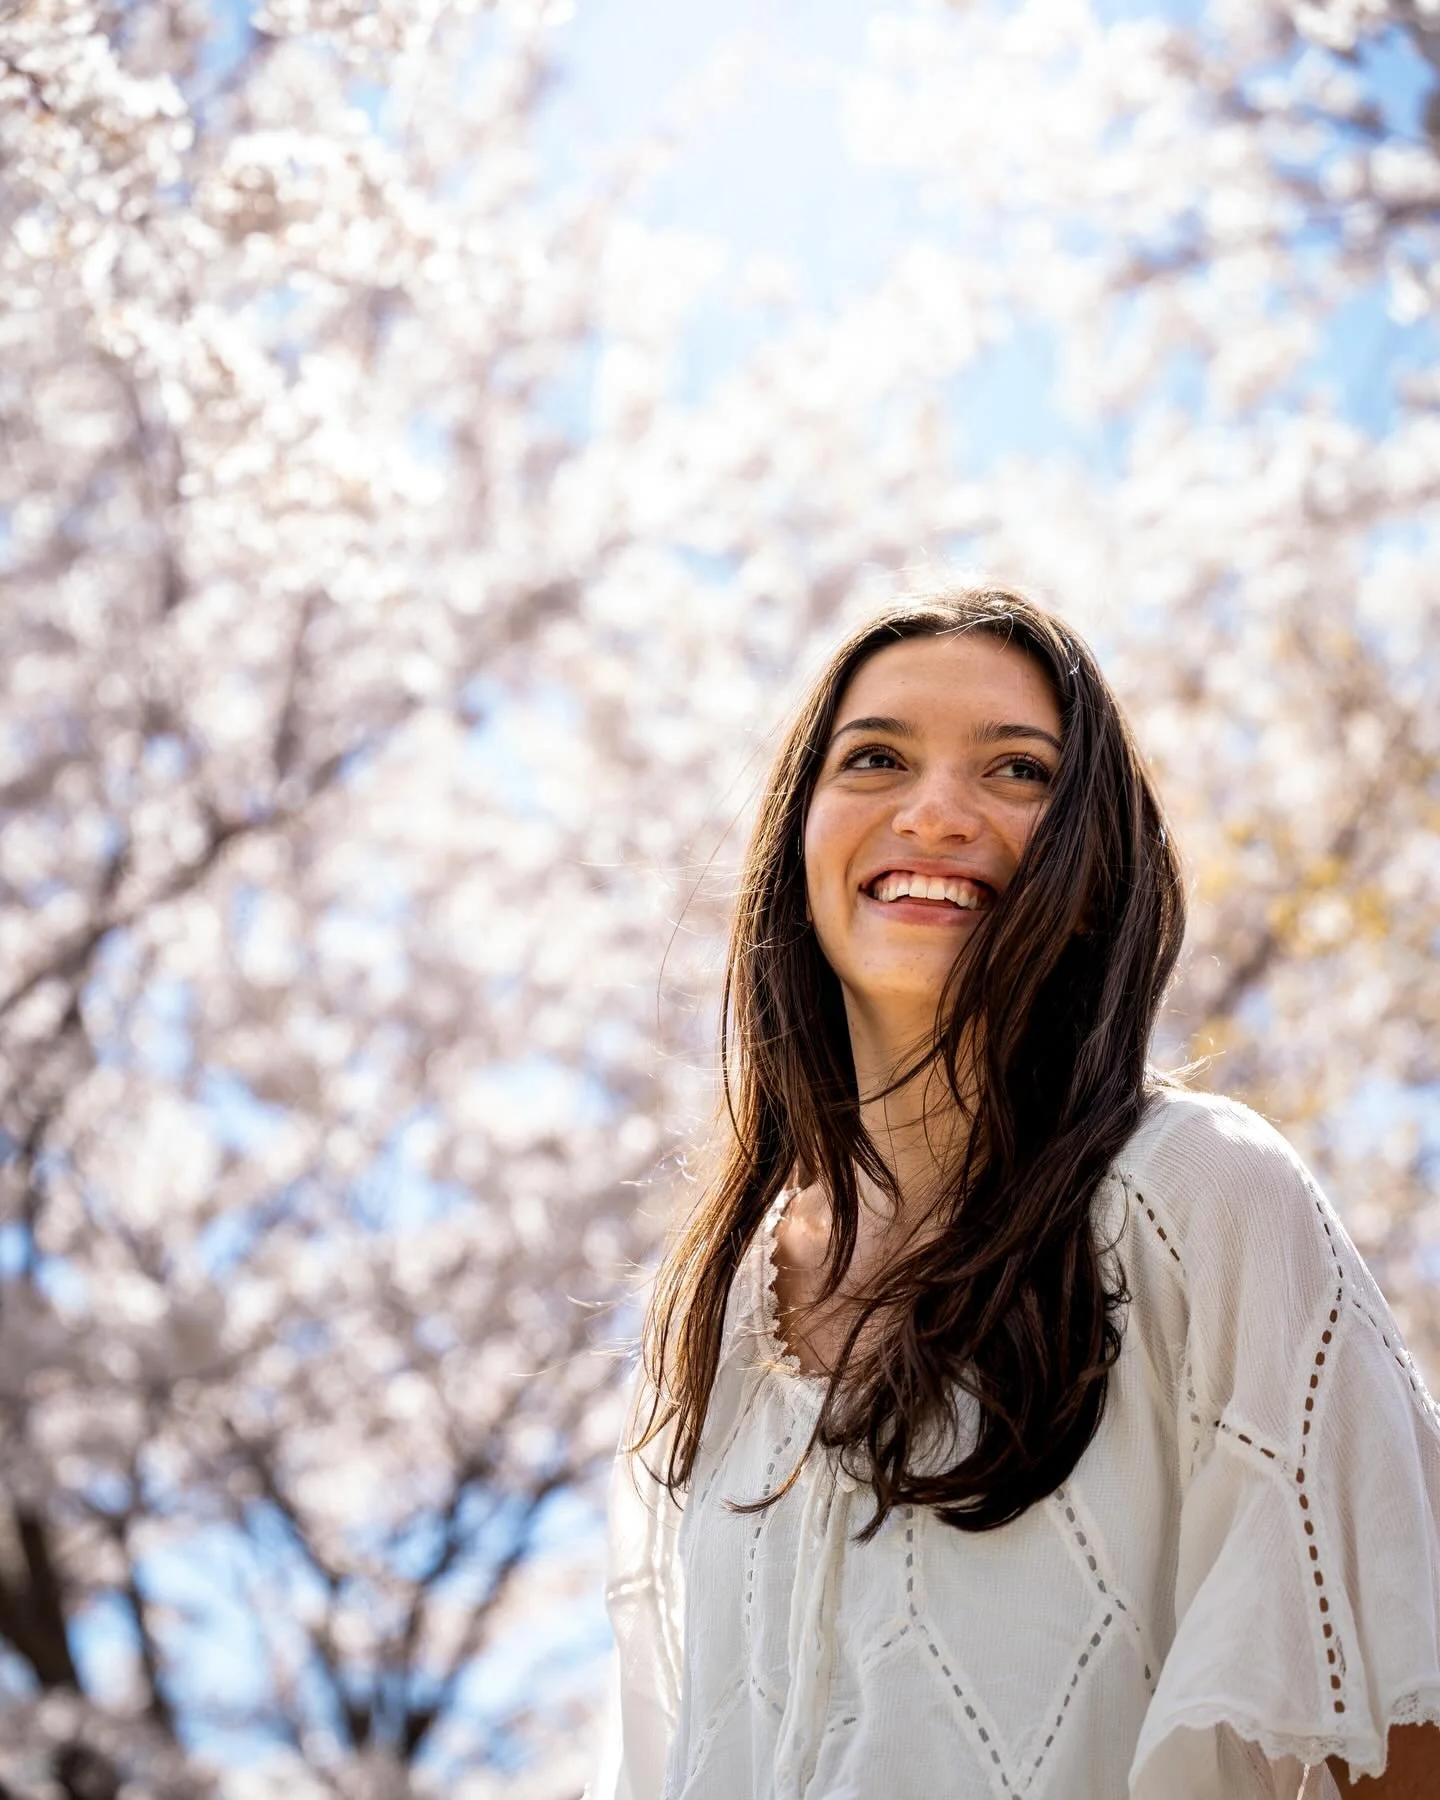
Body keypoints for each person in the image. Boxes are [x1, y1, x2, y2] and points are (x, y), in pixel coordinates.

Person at [588, 587, 1440, 1800]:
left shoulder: (1200, 1197)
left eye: (1019, 772)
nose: (935, 813)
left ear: (1093, 873)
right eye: (875, 757)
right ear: (798, 842)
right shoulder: (715, 1314)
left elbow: (1402, 1736)